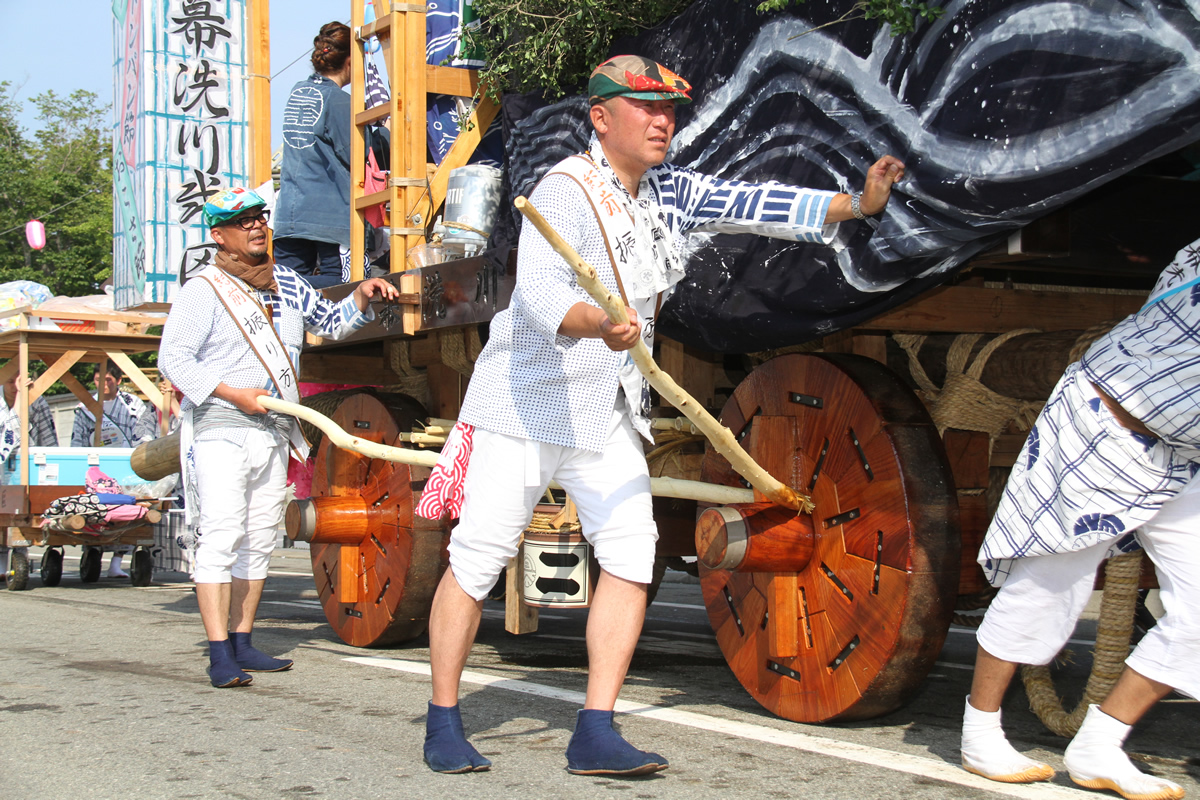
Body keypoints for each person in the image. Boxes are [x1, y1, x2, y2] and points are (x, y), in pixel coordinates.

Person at [415, 55, 905, 776]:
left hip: (608, 408)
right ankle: (443, 718)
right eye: (646, 109)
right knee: (479, 555)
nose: (662, 122)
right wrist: (598, 323)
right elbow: (543, 294)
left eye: (669, 111)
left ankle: (596, 726)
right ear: (602, 118)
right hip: (529, 400)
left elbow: (755, 203)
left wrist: (855, 206)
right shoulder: (565, 189)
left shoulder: (666, 193)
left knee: (631, 552)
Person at [959, 238, 1200, 800]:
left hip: (1183, 450)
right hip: (1107, 425)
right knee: (1049, 585)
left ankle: (1098, 747)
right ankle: (979, 734)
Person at [157, 187, 398, 689]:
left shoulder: (287, 282)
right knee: (221, 536)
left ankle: (244, 640)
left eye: (260, 218)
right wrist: (231, 393)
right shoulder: (204, 290)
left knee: (260, 538)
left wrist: (360, 296)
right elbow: (174, 360)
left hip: (274, 430)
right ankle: (219, 650)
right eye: (242, 222)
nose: (256, 227)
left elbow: (329, 325)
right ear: (219, 235)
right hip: (222, 428)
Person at [271, 21, 354, 289]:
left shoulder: (297, 92)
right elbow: (355, 154)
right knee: (342, 288)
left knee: (287, 292)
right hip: (329, 216)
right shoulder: (338, 100)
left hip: (289, 214)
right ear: (350, 61)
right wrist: (385, 135)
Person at [71, 360, 157, 578]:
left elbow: (143, 434)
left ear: (118, 381)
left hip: (124, 466)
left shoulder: (133, 404)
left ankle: (117, 562)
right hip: (95, 469)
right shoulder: (84, 407)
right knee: (97, 511)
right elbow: (78, 441)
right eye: (98, 380)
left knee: (125, 514)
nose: (103, 384)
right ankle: (92, 551)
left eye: (108, 379)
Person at [0, 370, 58, 581]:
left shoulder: (37, 399)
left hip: (27, 465)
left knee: (24, 512)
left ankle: (20, 554)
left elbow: (47, 436)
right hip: (3, 463)